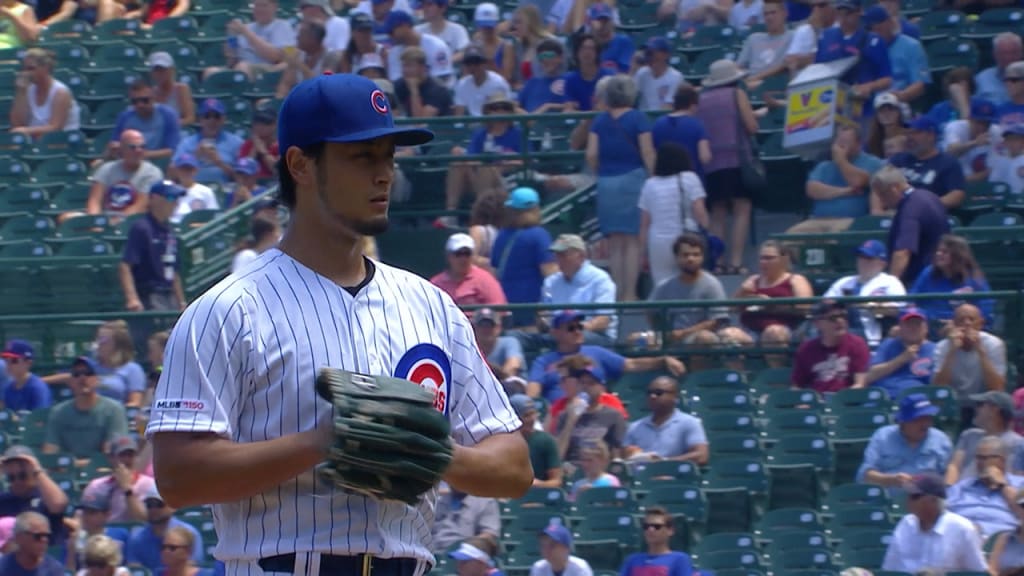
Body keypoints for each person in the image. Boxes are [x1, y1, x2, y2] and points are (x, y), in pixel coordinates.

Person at [146, 74, 532, 575]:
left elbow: (515, 466)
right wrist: (324, 442)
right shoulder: (227, 310)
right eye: (362, 156)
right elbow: (178, 477)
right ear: (301, 165)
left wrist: (427, 451)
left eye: (388, 156)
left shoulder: (431, 307)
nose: (384, 174)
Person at [587, 74, 654, 301]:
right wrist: (652, 175)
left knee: (615, 243)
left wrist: (601, 173)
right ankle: (630, 294)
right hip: (633, 179)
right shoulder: (639, 118)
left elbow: (591, 155)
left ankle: (616, 293)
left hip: (606, 181)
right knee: (632, 241)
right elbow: (647, 151)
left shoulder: (599, 121)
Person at [883, 474, 988, 573]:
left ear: (933, 499)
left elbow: (977, 572)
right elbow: (890, 569)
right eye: (909, 495)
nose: (909, 500)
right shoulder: (905, 524)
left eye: (915, 496)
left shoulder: (962, 528)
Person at [639, 143, 710, 286]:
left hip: (657, 242)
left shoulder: (649, 184)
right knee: (690, 282)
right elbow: (700, 213)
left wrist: (642, 252)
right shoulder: (690, 178)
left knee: (661, 284)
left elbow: (644, 223)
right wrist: (707, 233)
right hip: (686, 239)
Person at [871, 164, 950, 285]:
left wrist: (889, 287)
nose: (882, 201)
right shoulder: (928, 196)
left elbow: (903, 252)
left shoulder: (910, 208)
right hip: (940, 274)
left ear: (894, 188)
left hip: (922, 281)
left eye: (882, 194)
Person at [10, 48, 82, 138]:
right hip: (35, 144)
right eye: (24, 69)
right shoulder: (27, 90)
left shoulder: (60, 92)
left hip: (61, 143)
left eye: (31, 69)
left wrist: (26, 131)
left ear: (45, 68)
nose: (26, 73)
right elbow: (17, 124)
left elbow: (56, 128)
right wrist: (21, 92)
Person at [510, 395, 563, 488]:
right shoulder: (503, 442)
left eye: (533, 414)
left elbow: (556, 481)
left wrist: (538, 484)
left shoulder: (545, 441)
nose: (532, 419)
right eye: (526, 415)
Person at [0, 511, 64, 576]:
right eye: (38, 536)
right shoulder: (3, 567)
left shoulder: (54, 569)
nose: (44, 540)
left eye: (47, 536)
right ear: (19, 537)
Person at [0, 340, 51, 412]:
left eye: (14, 360)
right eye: (6, 359)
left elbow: (40, 421)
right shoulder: (9, 388)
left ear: (28, 363)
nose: (8, 364)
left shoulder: (37, 388)